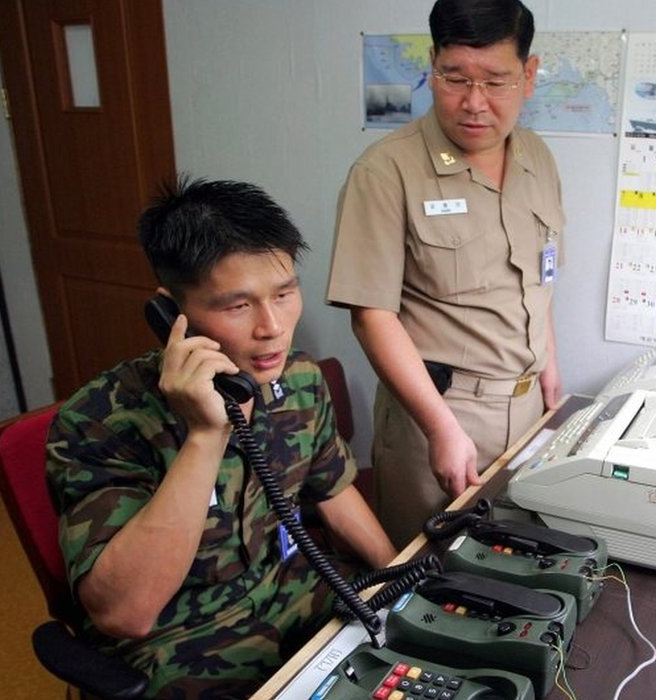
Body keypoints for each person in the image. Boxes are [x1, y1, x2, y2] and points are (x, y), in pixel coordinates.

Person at [46, 177, 397, 698]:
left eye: (285, 293)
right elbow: (126, 613)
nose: (272, 327)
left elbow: (333, 488)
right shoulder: (101, 419)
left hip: (301, 599)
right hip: (184, 644)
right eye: (238, 306)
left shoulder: (299, 379)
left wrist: (400, 583)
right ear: (170, 313)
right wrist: (206, 434)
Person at [327, 0, 566, 548]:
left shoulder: (537, 158)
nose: (474, 103)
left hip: (528, 409)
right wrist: (440, 427)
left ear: (528, 75)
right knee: (426, 584)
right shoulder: (386, 171)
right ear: (432, 63)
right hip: (439, 418)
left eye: (496, 82)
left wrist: (550, 361)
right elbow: (371, 314)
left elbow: (540, 278)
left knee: (514, 569)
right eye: (454, 78)